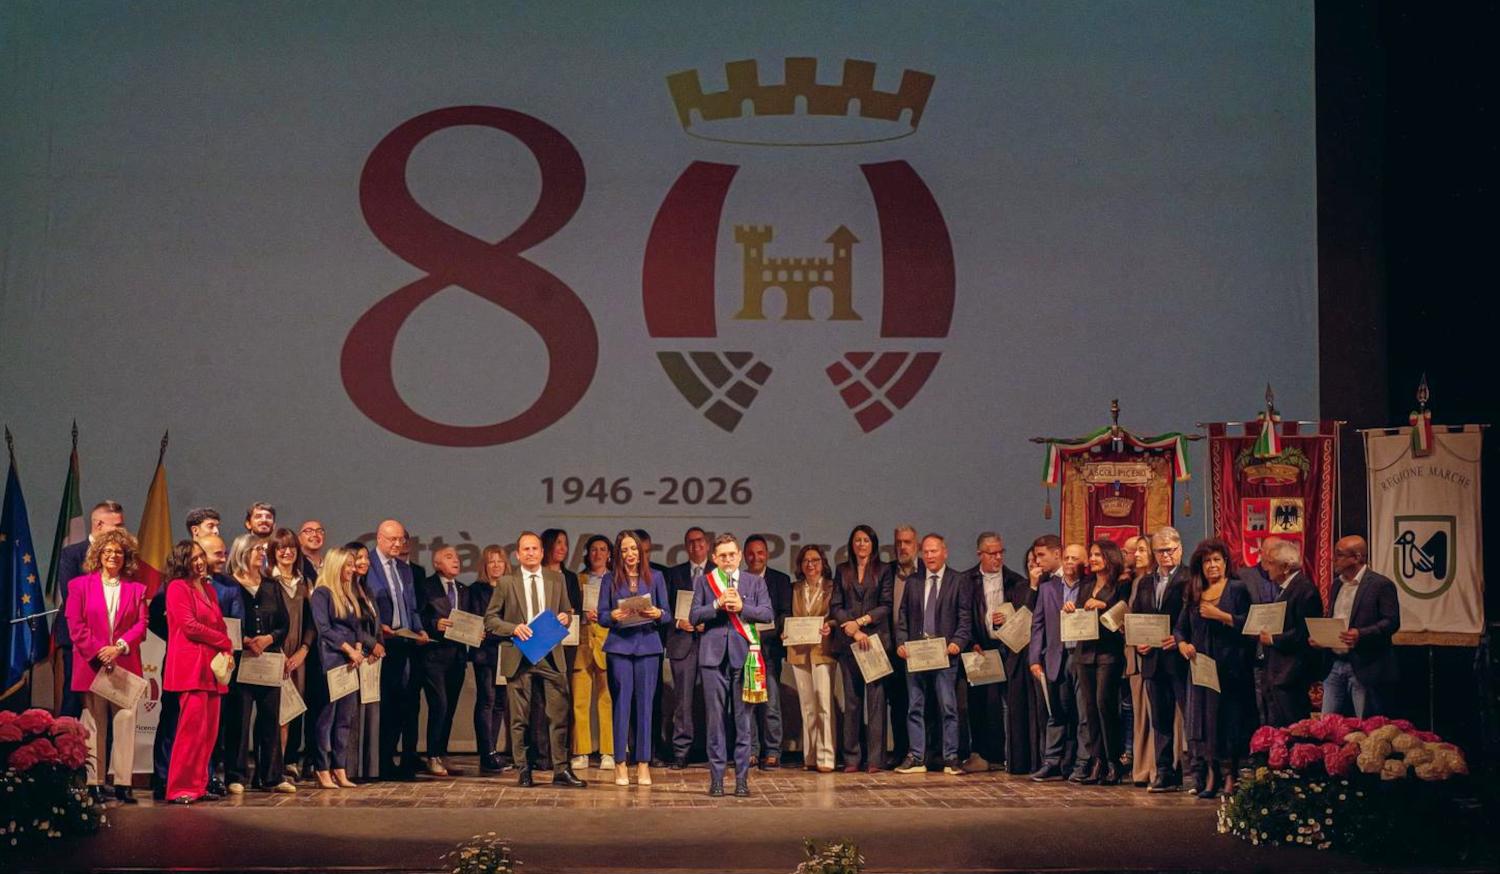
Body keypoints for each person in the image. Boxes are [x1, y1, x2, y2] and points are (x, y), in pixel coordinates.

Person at [483, 531, 586, 788]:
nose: (530, 553)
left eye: (535, 549)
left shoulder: (556, 579)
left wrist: (565, 617)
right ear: (517, 554)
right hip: (519, 655)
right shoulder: (507, 582)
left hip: (550, 655)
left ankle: (561, 770)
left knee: (558, 714)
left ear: (542, 552)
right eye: (525, 549)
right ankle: (523, 769)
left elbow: (567, 611)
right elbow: (491, 620)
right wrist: (513, 628)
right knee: (520, 718)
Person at [65, 528, 148, 804]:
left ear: (127, 558)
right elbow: (75, 626)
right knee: (93, 724)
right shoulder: (78, 586)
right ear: (98, 555)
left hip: (124, 664)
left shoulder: (137, 589)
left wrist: (119, 648)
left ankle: (123, 782)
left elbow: (141, 626)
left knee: (125, 722)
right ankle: (94, 783)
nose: (113, 556)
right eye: (108, 551)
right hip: (92, 665)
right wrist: (100, 653)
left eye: (119, 552)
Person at [690, 533, 773, 797]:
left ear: (739, 556)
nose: (727, 560)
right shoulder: (705, 582)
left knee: (743, 722)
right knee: (715, 723)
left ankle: (741, 780)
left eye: (731, 555)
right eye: (722, 556)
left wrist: (742, 606)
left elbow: (767, 613)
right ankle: (716, 779)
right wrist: (716, 604)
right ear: (714, 558)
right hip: (712, 658)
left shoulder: (753, 582)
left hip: (744, 658)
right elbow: (693, 616)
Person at [1175, 538, 1252, 799]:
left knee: (1228, 722)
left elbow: (1250, 625)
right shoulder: (1194, 591)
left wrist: (1221, 616)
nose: (1212, 565)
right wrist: (1183, 644)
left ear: (1226, 562)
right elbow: (1180, 628)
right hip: (1201, 669)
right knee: (1204, 724)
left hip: (1231, 668)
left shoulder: (1238, 589)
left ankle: (1231, 776)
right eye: (1207, 561)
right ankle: (1211, 773)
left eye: (1217, 560)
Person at [597, 530, 671, 785]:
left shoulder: (656, 577)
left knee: (645, 707)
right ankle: (620, 763)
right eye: (625, 550)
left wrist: (657, 612)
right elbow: (602, 615)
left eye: (634, 549)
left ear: (641, 552)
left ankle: (643, 764)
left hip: (648, 646)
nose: (630, 554)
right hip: (619, 647)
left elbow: (668, 615)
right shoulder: (609, 579)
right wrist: (613, 617)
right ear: (619, 553)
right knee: (622, 705)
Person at [894, 534, 971, 776]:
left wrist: (958, 642)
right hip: (916, 655)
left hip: (945, 656)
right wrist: (900, 643)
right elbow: (903, 617)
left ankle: (951, 758)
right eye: (925, 552)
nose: (929, 556)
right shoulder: (913, 581)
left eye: (934, 551)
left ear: (944, 552)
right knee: (914, 707)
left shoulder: (958, 581)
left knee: (948, 707)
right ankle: (917, 757)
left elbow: (964, 618)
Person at [163, 539, 234, 804]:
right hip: (190, 666)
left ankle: (198, 785)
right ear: (182, 561)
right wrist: (223, 641)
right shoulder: (177, 588)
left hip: (211, 668)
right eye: (193, 558)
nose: (200, 561)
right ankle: (179, 787)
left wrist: (225, 646)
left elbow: (219, 622)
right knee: (190, 731)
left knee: (208, 733)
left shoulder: (207, 588)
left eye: (201, 556)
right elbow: (190, 626)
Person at [224, 534, 294, 794]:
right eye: (256, 549)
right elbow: (225, 620)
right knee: (238, 719)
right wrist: (243, 640)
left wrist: (269, 638)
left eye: (263, 549)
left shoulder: (271, 585)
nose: (262, 553)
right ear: (242, 552)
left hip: (269, 658)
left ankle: (271, 775)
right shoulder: (230, 584)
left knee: (270, 718)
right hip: (242, 659)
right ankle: (236, 775)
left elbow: (283, 623)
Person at [310, 547, 381, 790]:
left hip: (351, 662)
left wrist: (359, 647)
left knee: (345, 719)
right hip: (332, 660)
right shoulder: (322, 593)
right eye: (347, 565)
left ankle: (340, 768)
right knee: (326, 719)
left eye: (353, 565)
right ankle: (322, 768)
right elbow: (324, 629)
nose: (352, 570)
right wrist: (348, 650)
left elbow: (357, 626)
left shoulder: (349, 594)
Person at [365, 519, 429, 779]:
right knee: (384, 703)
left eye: (401, 539)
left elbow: (411, 605)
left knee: (403, 704)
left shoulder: (404, 569)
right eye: (392, 539)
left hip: (405, 642)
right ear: (379, 538)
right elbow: (364, 603)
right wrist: (379, 629)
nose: (397, 544)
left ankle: (395, 759)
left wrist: (419, 628)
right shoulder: (367, 564)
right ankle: (379, 761)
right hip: (380, 643)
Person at [52, 500, 125, 719]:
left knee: (112, 706)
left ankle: (106, 753)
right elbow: (71, 596)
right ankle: (65, 751)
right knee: (74, 703)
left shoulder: (123, 556)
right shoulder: (72, 554)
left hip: (113, 645)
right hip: (79, 641)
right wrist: (95, 642)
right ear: (99, 525)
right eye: (117, 526)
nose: (122, 532)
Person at [1131, 526, 1190, 792]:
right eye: (1160, 550)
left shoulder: (1191, 578)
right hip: (1153, 659)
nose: (1165, 555)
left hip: (1181, 659)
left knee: (1190, 717)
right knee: (1160, 720)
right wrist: (1139, 642)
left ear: (1180, 549)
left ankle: (1194, 772)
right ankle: (1165, 772)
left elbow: (1194, 616)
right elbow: (1137, 617)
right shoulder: (1145, 581)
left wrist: (1179, 639)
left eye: (1170, 550)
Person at [830, 524, 892, 773]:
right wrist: (853, 630)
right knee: (852, 703)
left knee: (876, 703)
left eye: (866, 540)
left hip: (875, 642)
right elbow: (836, 605)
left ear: (873, 544)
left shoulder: (884, 570)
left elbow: (886, 604)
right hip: (849, 644)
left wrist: (862, 623)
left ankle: (876, 759)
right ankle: (852, 757)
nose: (862, 545)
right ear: (851, 544)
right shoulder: (842, 570)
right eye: (857, 540)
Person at [963, 531, 1027, 772]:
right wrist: (970, 643)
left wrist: (1008, 617)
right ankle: (981, 754)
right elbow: (963, 615)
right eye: (992, 554)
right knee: (979, 704)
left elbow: (1024, 616)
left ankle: (1009, 754)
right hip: (979, 648)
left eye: (1001, 552)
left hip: (1007, 647)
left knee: (1008, 703)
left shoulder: (1014, 581)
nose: (997, 558)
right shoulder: (967, 580)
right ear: (980, 554)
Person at [1316, 535, 1400, 718]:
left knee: (1366, 727)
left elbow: (1392, 622)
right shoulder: (1337, 585)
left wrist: (1361, 634)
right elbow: (1334, 618)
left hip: (1364, 665)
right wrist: (1322, 637)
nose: (1333, 559)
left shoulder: (1380, 585)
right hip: (1334, 664)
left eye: (1339, 554)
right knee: (1326, 725)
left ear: (1357, 557)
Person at [1070, 539, 1131, 785]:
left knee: (1105, 705)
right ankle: (1097, 761)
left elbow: (1124, 615)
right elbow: (1079, 615)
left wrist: (1104, 605)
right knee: (1090, 708)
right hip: (1084, 653)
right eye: (1092, 555)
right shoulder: (1085, 585)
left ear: (1110, 557)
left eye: (1098, 555)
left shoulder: (1121, 585)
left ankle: (1114, 761)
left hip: (1108, 653)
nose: (1092, 559)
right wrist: (1070, 609)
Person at [1028, 542, 1086, 781]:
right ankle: (1052, 761)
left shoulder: (1090, 588)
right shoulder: (1048, 588)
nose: (1070, 562)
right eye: (1067, 558)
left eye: (1076, 558)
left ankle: (1082, 762)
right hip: (1055, 657)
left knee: (1083, 714)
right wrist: (1034, 658)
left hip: (1082, 656)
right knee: (1057, 712)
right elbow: (1038, 625)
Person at [1256, 539, 1324, 726]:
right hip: (1277, 673)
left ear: (1285, 567)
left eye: (1270, 563)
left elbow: (1305, 633)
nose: (1265, 567)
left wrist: (1273, 638)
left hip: (1291, 674)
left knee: (1292, 729)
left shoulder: (1304, 590)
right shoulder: (1285, 589)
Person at [541, 529, 592, 772]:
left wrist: (571, 612)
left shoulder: (571, 577)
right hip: (540, 641)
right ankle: (541, 754)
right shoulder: (537, 575)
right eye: (558, 543)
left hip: (566, 643)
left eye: (566, 543)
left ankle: (563, 753)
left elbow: (576, 609)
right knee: (539, 700)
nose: (562, 548)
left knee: (562, 698)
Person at [268, 528, 316, 783]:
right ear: (273, 552)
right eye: (281, 548)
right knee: (274, 713)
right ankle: (272, 766)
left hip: (298, 657)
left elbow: (311, 623)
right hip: (273, 654)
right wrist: (276, 653)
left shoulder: (303, 583)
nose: (287, 552)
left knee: (293, 710)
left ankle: (287, 762)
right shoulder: (267, 580)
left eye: (291, 548)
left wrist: (303, 651)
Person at [417, 545, 469, 776]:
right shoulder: (426, 586)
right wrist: (433, 625)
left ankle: (442, 753)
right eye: (449, 557)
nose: (456, 560)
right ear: (437, 563)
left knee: (450, 708)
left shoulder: (463, 589)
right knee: (440, 705)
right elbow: (417, 614)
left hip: (457, 656)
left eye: (457, 557)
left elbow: (470, 620)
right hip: (434, 656)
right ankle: (432, 755)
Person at [788, 544, 838, 772]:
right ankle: (810, 756)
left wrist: (831, 625)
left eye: (815, 560)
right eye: (806, 560)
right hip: (798, 650)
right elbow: (788, 617)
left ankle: (826, 757)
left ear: (823, 563)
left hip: (822, 649)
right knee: (807, 705)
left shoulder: (832, 588)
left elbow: (837, 616)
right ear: (800, 565)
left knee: (824, 704)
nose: (811, 564)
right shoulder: (795, 588)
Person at [663, 527, 710, 769]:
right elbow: (664, 609)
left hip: (712, 642)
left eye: (700, 541)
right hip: (682, 643)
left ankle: (715, 750)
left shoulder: (720, 573)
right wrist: (678, 621)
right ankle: (681, 751)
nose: (696, 545)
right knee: (683, 701)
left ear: (708, 544)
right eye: (690, 542)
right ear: (685, 546)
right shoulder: (674, 574)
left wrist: (707, 622)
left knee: (714, 700)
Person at [744, 534, 791, 770]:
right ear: (745, 556)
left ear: (767, 554)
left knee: (771, 703)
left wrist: (765, 634)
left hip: (769, 650)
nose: (755, 558)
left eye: (760, 552)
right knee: (747, 704)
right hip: (743, 651)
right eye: (751, 553)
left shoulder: (780, 580)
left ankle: (772, 751)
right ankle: (751, 750)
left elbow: (784, 613)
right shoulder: (737, 580)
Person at [571, 535, 614, 773]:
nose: (598, 553)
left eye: (603, 549)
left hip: (608, 644)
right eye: (594, 549)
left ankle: (608, 751)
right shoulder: (578, 579)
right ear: (588, 553)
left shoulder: (616, 579)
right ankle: (581, 751)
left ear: (609, 554)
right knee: (580, 701)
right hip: (583, 643)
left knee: (607, 700)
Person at [467, 545, 511, 773]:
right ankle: (487, 753)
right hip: (485, 654)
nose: (496, 565)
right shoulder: (476, 590)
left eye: (500, 561)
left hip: (506, 652)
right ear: (485, 566)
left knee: (500, 703)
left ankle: (493, 751)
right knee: (487, 700)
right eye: (491, 562)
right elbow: (477, 622)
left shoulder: (510, 588)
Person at [344, 542, 383, 781]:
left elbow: (375, 623)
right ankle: (351, 769)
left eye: (366, 558)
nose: (364, 562)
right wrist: (370, 644)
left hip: (373, 659)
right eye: (358, 558)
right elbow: (352, 625)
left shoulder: (366, 590)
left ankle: (369, 769)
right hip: (355, 657)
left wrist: (379, 644)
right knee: (353, 715)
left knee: (371, 711)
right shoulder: (344, 591)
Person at [1239, 535, 1284, 728]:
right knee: (1257, 700)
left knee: (1278, 702)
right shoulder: (1243, 576)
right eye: (1270, 552)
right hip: (1253, 649)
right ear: (1261, 553)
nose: (1273, 556)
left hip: (1281, 651)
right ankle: (1260, 744)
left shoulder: (1287, 577)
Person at [884, 524, 920, 763]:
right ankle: (900, 752)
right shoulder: (886, 572)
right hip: (892, 648)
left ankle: (924, 752)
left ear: (915, 545)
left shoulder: (927, 571)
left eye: (907, 542)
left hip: (920, 648)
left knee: (919, 702)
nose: (902, 547)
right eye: (898, 543)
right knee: (897, 703)